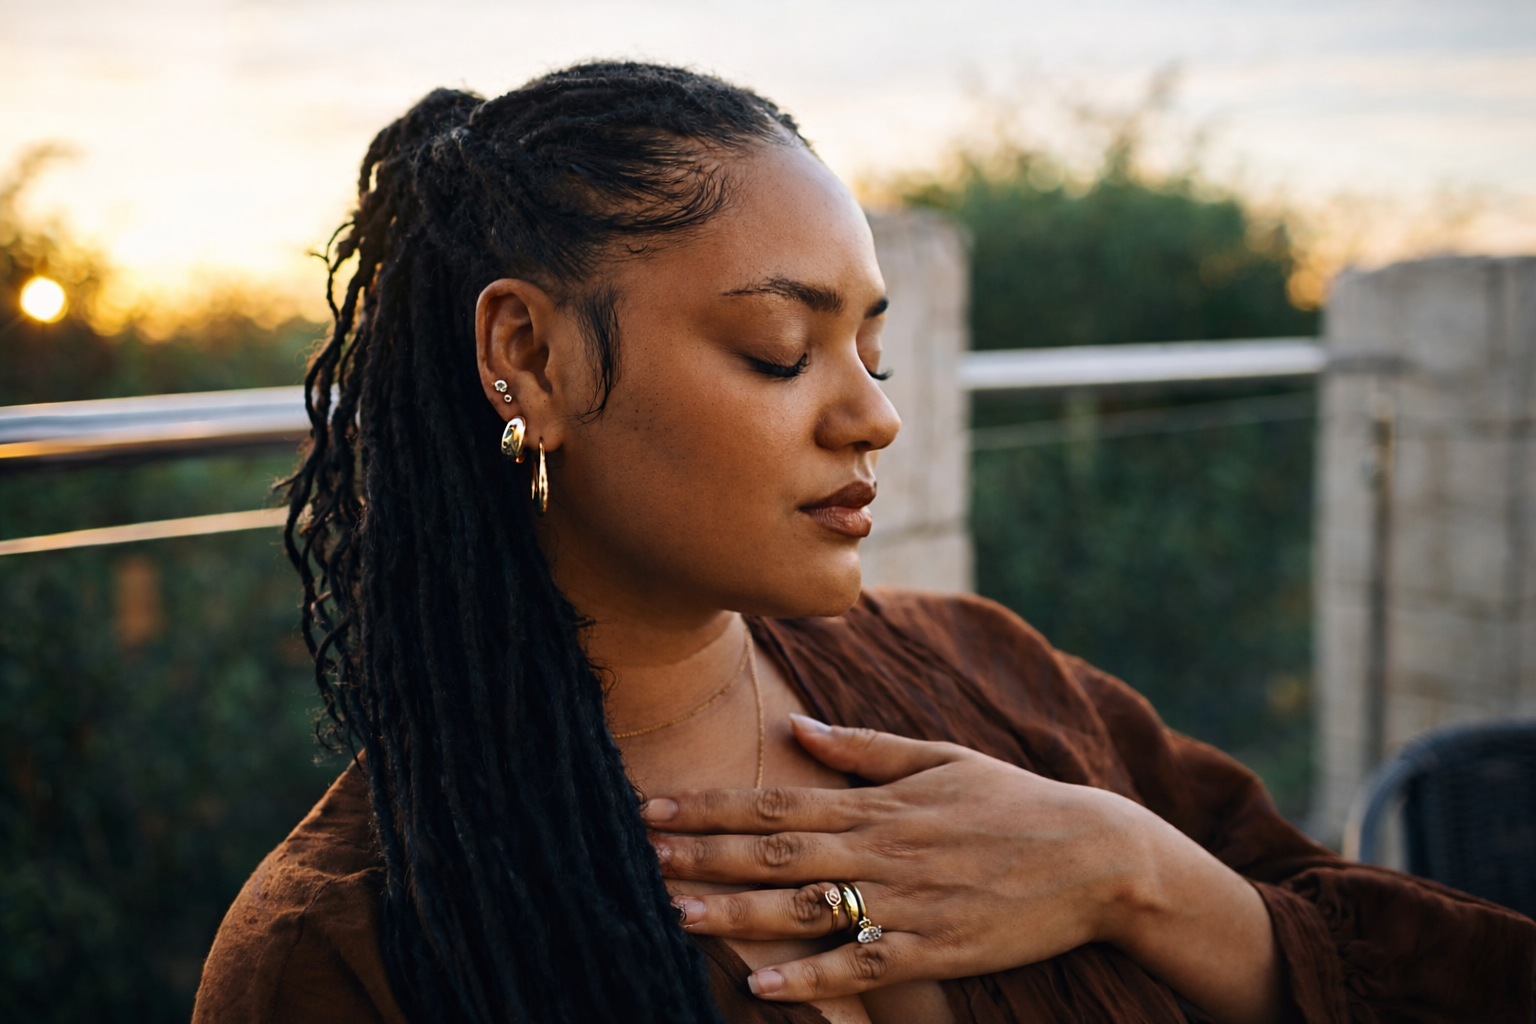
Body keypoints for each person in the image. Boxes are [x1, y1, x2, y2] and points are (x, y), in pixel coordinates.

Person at [191, 62, 1535, 1024]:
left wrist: (1137, 877)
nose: (875, 416)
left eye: (873, 349)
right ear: (526, 357)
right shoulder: (345, 948)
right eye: (782, 353)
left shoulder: (981, 668)